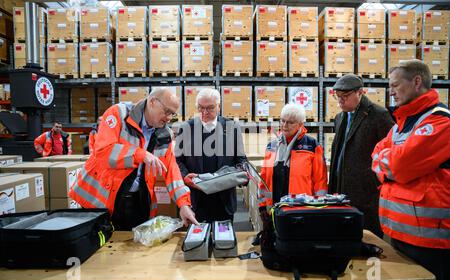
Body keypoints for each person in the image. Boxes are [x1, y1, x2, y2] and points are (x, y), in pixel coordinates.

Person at [69, 89, 198, 230]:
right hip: (100, 200)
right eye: (167, 111)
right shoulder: (119, 114)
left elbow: (171, 171)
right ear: (153, 102)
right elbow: (102, 152)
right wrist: (140, 154)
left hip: (136, 200)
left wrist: (183, 204)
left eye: (172, 114)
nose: (168, 118)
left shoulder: (164, 134)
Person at [372, 60, 450, 280]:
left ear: (417, 82)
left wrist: (389, 164)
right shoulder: (401, 124)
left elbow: (400, 166)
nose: (391, 92)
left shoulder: (439, 121)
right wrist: (391, 161)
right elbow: (376, 155)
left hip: (431, 242)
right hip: (400, 232)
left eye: (395, 85)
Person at [328, 74, 394, 238]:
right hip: (340, 190)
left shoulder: (379, 115)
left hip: (367, 193)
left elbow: (391, 151)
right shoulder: (340, 117)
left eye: (345, 96)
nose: (340, 101)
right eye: (338, 97)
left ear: (360, 93)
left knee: (368, 239)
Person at [175, 88, 247, 222]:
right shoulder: (186, 128)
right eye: (200, 108)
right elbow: (177, 161)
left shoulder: (232, 127)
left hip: (223, 199)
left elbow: (241, 160)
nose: (204, 112)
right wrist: (185, 176)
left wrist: (242, 174)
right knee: (196, 240)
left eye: (210, 108)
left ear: (219, 107)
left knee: (224, 240)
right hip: (196, 198)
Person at [258, 104, 328, 214]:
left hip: (302, 210)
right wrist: (262, 206)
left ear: (300, 124)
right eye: (282, 121)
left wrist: (318, 207)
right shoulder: (272, 146)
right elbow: (264, 178)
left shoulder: (313, 146)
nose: (285, 125)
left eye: (290, 122)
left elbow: (320, 181)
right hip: (274, 209)